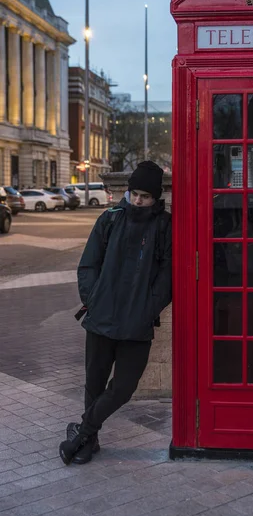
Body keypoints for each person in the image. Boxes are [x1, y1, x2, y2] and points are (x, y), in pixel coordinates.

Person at [59, 161, 172, 465]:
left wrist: (149, 307)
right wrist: (93, 299)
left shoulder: (164, 226)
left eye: (145, 196)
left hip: (136, 322)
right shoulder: (109, 219)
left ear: (155, 198)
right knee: (94, 383)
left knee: (123, 388)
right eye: (134, 193)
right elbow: (88, 264)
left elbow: (168, 276)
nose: (137, 200)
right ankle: (89, 440)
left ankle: (82, 431)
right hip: (101, 317)